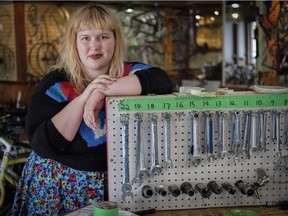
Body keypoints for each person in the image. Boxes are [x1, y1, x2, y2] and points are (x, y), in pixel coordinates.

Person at [11, 3, 173, 216]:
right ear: (74, 42)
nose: (94, 46)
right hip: (59, 186)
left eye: (103, 37)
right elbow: (44, 145)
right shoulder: (57, 83)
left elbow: (161, 81)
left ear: (115, 40)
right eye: (85, 37)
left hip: (118, 185)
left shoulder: (129, 72)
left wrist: (101, 91)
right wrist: (83, 99)